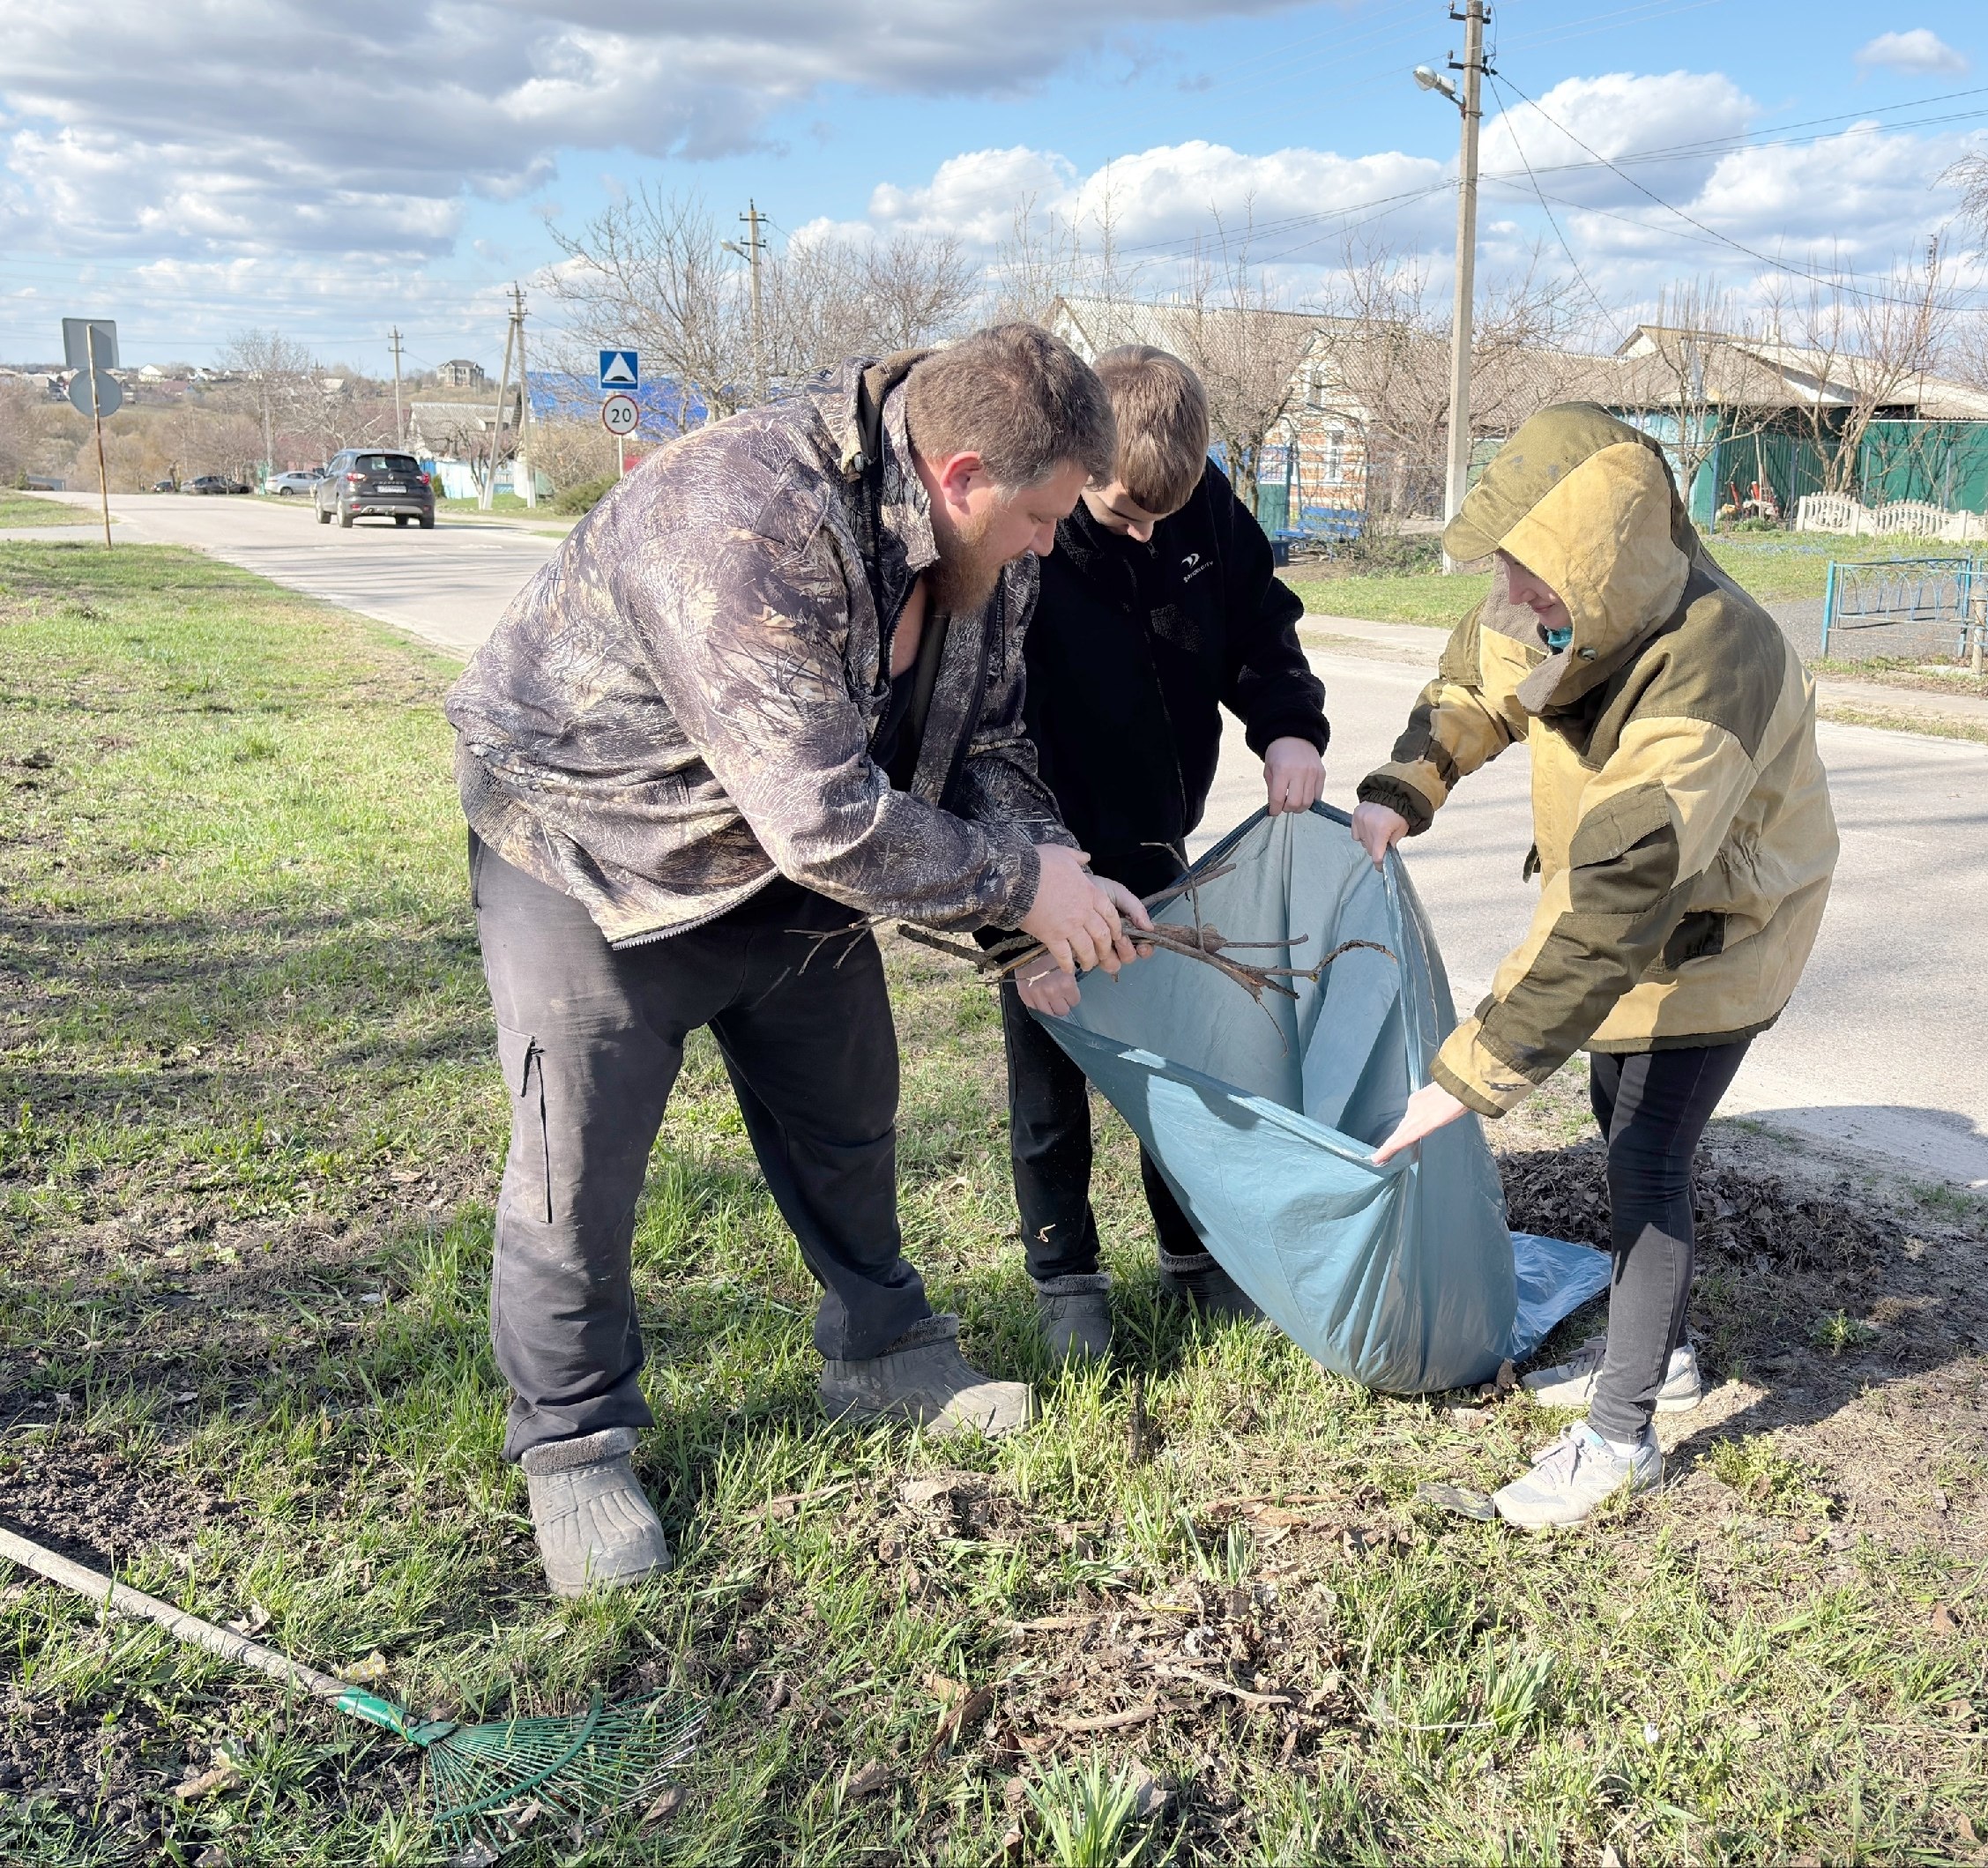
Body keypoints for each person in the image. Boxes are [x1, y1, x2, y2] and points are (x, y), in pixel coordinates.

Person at [444, 325, 1153, 1596]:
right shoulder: (743, 515)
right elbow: (824, 812)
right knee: (578, 1154)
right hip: (591, 838)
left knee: (848, 1099)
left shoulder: (995, 550)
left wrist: (1039, 894)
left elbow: (990, 739)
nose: (1055, 541)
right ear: (964, 475)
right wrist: (1012, 885)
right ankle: (575, 1442)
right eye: (1044, 515)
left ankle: (881, 1348)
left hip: (780, 851)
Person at [1353, 404, 1837, 1529]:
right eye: (1510, 580)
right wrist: (1406, 786)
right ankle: (1657, 1357)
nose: (1519, 608)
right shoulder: (1565, 600)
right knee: (1624, 1122)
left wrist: (1469, 1073)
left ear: (1602, 563)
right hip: (1641, 925)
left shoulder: (1718, 659)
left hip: (1723, 933)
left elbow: (1619, 894)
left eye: (1537, 585)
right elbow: (1482, 677)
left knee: (1646, 1159)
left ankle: (1622, 1436)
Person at [998, 346, 1329, 1362]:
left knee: (1180, 1062)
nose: (1146, 531)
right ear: (1080, 463)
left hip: (1154, 839)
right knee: (1050, 1076)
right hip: (1040, 851)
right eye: (1123, 514)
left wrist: (1287, 726)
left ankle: (1196, 1252)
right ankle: (1067, 1278)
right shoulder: (1027, 539)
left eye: (1163, 515)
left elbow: (1258, 626)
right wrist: (1016, 924)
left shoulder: (1198, 507)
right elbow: (979, 733)